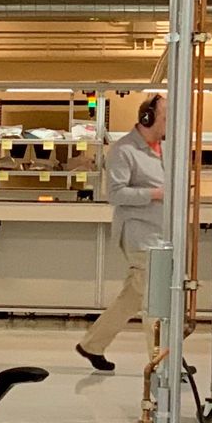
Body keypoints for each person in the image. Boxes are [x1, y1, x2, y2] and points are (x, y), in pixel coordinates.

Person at [77, 93, 167, 372]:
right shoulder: (123, 150)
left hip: (161, 233)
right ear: (148, 118)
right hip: (140, 235)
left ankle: (92, 344)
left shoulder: (165, 149)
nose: (170, 124)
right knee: (154, 297)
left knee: (134, 296)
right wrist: (155, 194)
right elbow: (115, 194)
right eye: (166, 118)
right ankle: (161, 362)